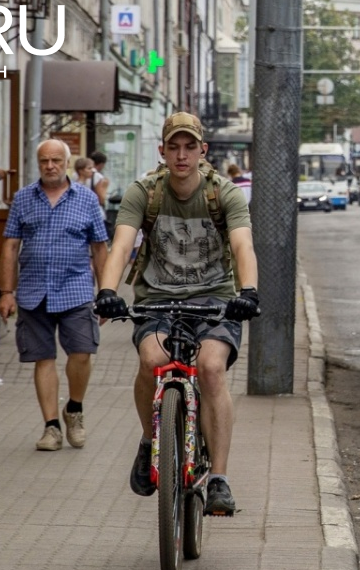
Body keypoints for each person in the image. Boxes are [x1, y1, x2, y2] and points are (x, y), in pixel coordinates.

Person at [94, 112, 260, 516]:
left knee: (211, 368)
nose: (182, 155)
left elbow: (242, 246)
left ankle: (218, 478)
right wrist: (107, 291)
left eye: (190, 147)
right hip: (157, 300)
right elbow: (121, 246)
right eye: (174, 147)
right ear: (163, 151)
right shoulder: (144, 192)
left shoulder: (224, 193)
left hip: (215, 299)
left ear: (202, 151)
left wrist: (249, 291)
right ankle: (152, 441)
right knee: (152, 359)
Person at [0, 139, 108, 451]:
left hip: (75, 289)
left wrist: (106, 292)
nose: (50, 166)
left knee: (82, 353)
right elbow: (10, 246)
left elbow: (100, 248)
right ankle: (51, 428)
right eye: (44, 161)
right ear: (38, 163)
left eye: (56, 160)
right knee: (43, 358)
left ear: (67, 162)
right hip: (33, 291)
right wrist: (6, 292)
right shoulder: (23, 199)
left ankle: (74, 408)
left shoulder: (86, 200)